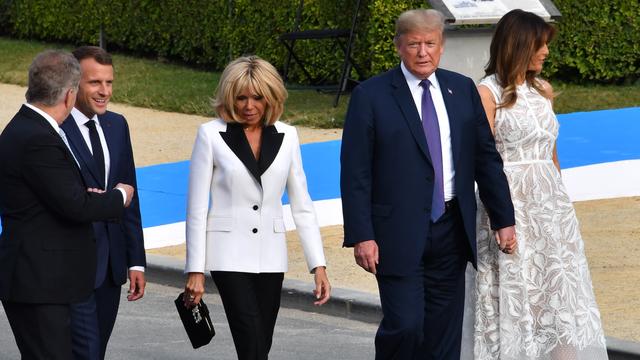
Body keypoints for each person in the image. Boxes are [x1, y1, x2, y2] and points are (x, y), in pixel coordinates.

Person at [340, 8, 517, 359]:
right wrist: (362, 234)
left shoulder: (461, 89)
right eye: (414, 44)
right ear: (398, 47)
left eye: (430, 44)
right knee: (405, 325)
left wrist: (504, 218)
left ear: (442, 45)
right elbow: (355, 171)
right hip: (396, 232)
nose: (423, 52)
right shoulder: (371, 96)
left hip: (451, 228)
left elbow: (485, 156)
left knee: (443, 334)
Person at [472, 9, 609, 359]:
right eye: (540, 44)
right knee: (521, 291)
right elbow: (483, 159)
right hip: (511, 205)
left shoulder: (543, 90)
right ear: (519, 46)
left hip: (550, 209)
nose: (546, 52)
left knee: (559, 294)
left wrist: (562, 208)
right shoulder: (486, 93)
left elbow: (552, 155)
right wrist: (502, 215)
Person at [182, 55, 331, 359]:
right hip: (227, 255)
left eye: (258, 98)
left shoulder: (288, 136)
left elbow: (302, 205)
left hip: (271, 257)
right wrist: (195, 270)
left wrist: (319, 265)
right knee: (250, 339)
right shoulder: (210, 135)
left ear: (271, 97)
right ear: (229, 97)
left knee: (261, 344)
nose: (249, 106)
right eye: (241, 97)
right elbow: (196, 207)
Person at [0, 50, 135, 359]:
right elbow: (76, 206)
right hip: (38, 282)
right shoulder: (37, 137)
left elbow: (59, 195)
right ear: (70, 94)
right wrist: (118, 196)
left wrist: (81, 196)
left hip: (44, 280)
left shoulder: (30, 129)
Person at [60, 46, 146, 360]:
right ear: (72, 83)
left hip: (111, 266)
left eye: (109, 83)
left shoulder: (117, 125)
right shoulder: (56, 127)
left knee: (98, 352)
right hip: (71, 265)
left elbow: (130, 194)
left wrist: (135, 260)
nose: (104, 91)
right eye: (95, 82)